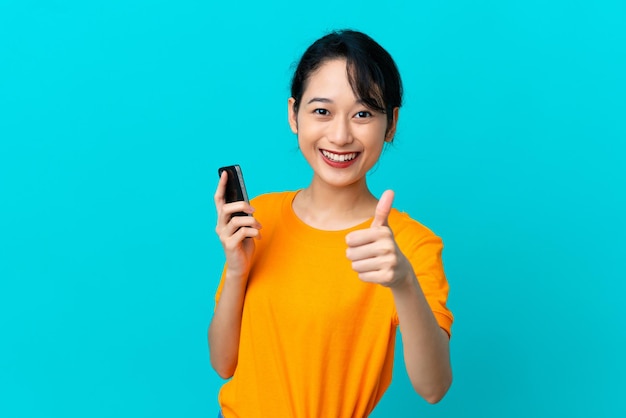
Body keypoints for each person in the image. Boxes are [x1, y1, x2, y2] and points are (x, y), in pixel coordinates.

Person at [209, 29, 453, 418]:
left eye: (363, 114)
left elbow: (434, 387)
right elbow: (224, 364)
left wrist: (403, 282)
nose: (340, 136)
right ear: (294, 115)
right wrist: (238, 269)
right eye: (322, 111)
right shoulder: (262, 218)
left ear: (390, 124)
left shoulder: (409, 244)